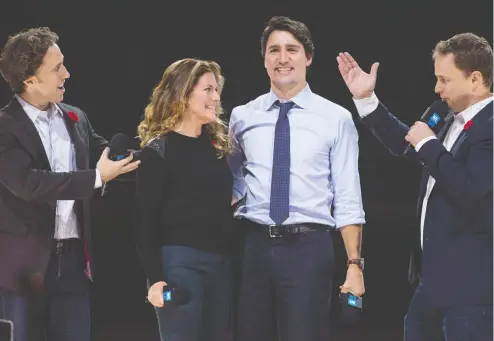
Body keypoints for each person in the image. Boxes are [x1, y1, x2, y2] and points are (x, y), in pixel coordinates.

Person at [337, 32, 493, 341]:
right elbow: (408, 143)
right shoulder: (445, 114)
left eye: (444, 80)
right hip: (431, 283)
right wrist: (366, 100)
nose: (437, 88)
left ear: (475, 79)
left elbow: (471, 188)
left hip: (472, 288)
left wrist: (430, 146)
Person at [228, 16, 366, 341]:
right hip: (253, 247)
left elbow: (348, 197)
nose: (282, 58)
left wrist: (355, 265)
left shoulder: (336, 118)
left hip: (309, 249)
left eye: (292, 49)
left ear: (308, 57)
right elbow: (231, 185)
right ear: (264, 60)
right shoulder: (241, 117)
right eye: (273, 50)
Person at [0, 27, 140, 341]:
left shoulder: (76, 118)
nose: (67, 72)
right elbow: (28, 184)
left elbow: (109, 159)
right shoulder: (4, 127)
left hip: (74, 264)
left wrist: (157, 151)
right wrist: (96, 177)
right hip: (20, 272)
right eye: (56, 68)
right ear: (30, 79)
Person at [136, 58, 233, 341]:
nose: (216, 98)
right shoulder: (158, 151)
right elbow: (145, 221)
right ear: (183, 93)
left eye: (217, 90)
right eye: (208, 90)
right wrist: (155, 279)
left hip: (220, 265)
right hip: (180, 265)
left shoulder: (218, 146)